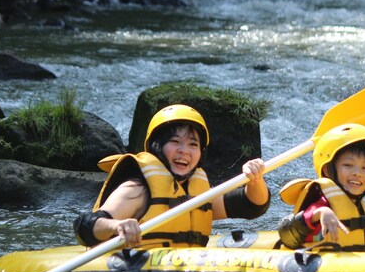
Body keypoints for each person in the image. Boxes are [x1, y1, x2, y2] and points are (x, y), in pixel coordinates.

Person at [74, 104, 269, 248]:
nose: (184, 151)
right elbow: (85, 226)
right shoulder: (137, 190)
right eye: (175, 142)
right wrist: (116, 225)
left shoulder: (198, 193)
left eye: (193, 145)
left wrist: (255, 180)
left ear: (201, 153)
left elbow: (252, 206)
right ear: (156, 147)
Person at [277, 123, 365, 250]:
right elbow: (309, 214)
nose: (357, 173)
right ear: (327, 169)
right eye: (348, 165)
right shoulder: (324, 201)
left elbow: (347, 230)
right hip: (318, 261)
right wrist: (322, 212)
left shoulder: (352, 200)